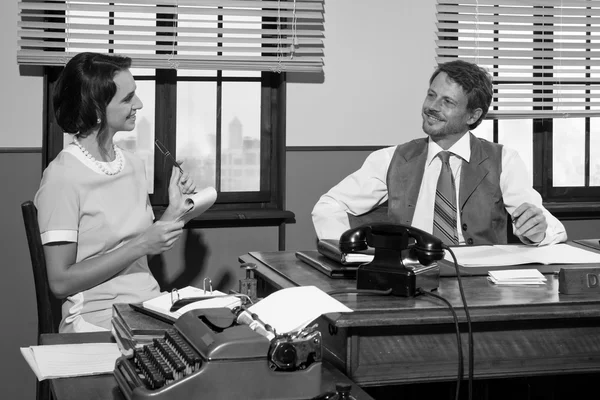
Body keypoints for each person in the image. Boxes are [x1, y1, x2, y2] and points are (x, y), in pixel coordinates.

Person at [312, 59, 567, 246]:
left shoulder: (505, 161)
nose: (431, 107)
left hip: (483, 284)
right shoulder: (389, 159)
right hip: (411, 280)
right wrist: (346, 251)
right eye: (431, 95)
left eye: (447, 102)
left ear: (473, 115)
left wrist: (536, 230)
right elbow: (328, 205)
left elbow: (551, 229)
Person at [34, 52, 196, 333]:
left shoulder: (132, 163)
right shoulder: (62, 177)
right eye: (127, 98)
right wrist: (142, 244)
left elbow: (142, 244)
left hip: (147, 306)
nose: (139, 104)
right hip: (96, 319)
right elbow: (60, 282)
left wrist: (174, 210)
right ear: (96, 111)